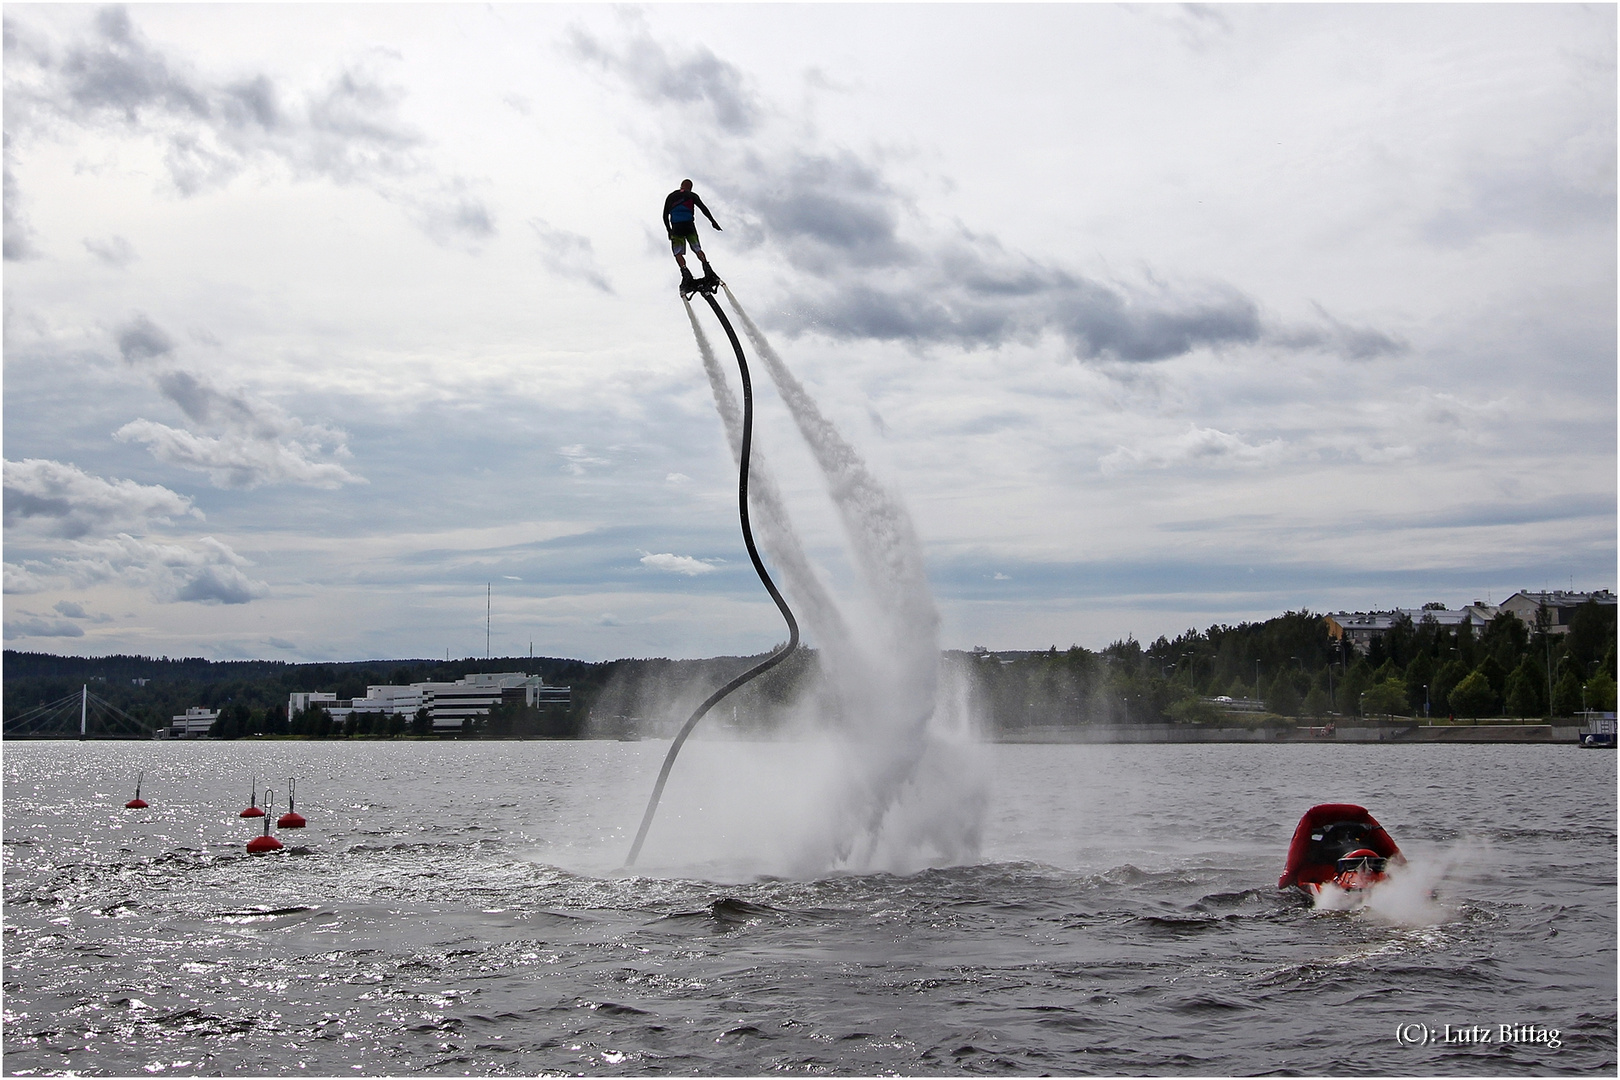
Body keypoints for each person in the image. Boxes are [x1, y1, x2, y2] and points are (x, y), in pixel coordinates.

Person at [663, 179, 721, 285]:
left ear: (681, 186)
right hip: (689, 226)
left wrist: (669, 230)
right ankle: (707, 267)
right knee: (697, 249)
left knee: (678, 253)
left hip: (676, 228)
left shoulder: (671, 196)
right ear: (690, 187)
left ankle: (685, 273)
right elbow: (704, 209)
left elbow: (665, 215)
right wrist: (713, 222)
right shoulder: (692, 195)